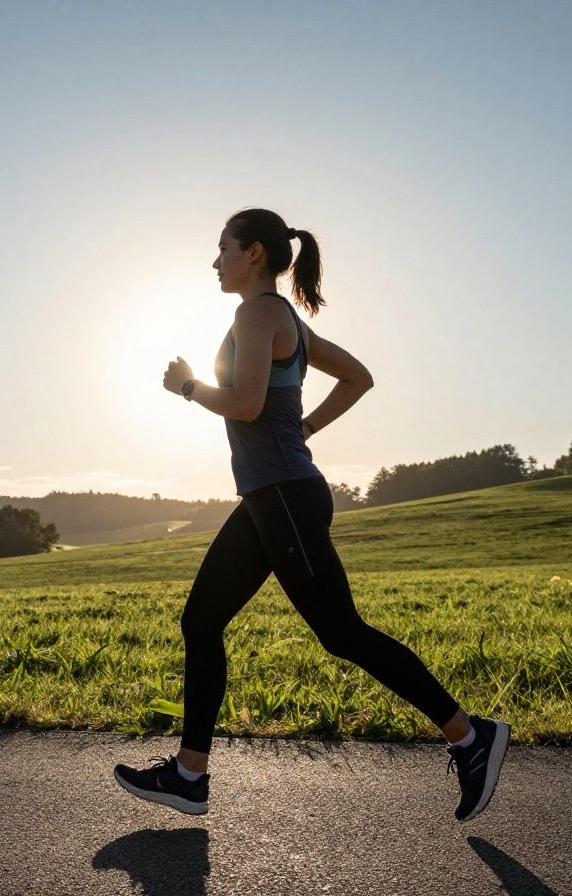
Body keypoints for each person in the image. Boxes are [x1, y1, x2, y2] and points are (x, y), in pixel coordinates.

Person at [113, 208, 510, 822]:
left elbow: (245, 406)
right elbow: (359, 377)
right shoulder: (284, 320)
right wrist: (305, 428)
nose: (214, 260)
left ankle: (468, 734)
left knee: (341, 633)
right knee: (201, 621)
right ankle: (190, 774)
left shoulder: (256, 313)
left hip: (285, 498)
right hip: (271, 496)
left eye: (222, 247)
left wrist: (188, 388)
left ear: (253, 253)